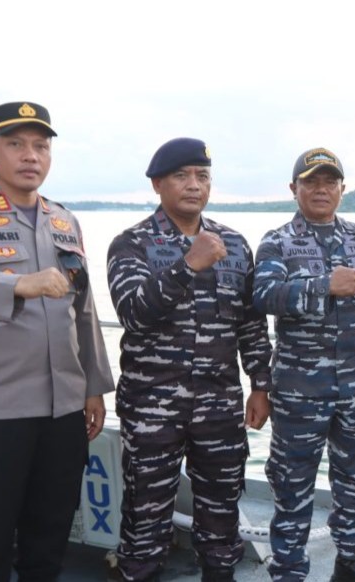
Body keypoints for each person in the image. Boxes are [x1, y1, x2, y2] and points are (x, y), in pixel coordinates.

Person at [0, 101, 115, 580]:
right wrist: (16, 284)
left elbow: (83, 309)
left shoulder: (65, 221)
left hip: (63, 412)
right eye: (16, 144)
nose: (31, 155)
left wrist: (93, 387)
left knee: (49, 541)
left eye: (40, 146)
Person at [107, 137, 273, 582]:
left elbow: (250, 322)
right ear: (158, 184)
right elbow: (134, 313)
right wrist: (188, 264)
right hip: (151, 407)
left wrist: (261, 383)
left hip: (219, 405)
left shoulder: (234, 244)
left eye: (202, 176)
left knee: (221, 518)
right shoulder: (132, 244)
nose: (193, 185)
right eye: (181, 176)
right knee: (146, 520)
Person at [252, 148, 355, 582]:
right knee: (291, 483)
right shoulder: (277, 240)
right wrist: (323, 286)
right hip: (299, 390)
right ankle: (289, 567)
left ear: (342, 188)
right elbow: (263, 297)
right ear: (294, 189)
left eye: (329, 182)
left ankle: (351, 559)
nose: (321, 190)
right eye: (311, 182)